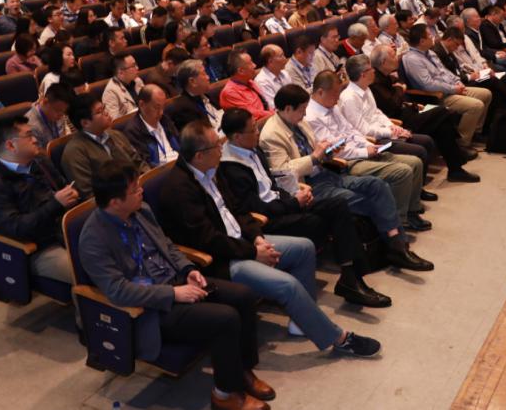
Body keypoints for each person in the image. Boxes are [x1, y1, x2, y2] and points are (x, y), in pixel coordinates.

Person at [157, 120, 382, 358]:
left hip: (242, 242)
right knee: (287, 285)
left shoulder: (211, 170)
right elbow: (209, 240)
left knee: (304, 248)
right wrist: (253, 252)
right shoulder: (178, 189)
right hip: (221, 260)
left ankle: (302, 321)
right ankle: (339, 338)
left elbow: (239, 211)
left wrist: (257, 239)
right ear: (200, 155)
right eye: (216, 145)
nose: (222, 148)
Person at [78, 162, 274, 410]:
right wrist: (172, 294)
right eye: (134, 189)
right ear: (115, 202)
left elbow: (168, 245)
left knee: (243, 296)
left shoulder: (141, 210)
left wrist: (188, 270)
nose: (141, 191)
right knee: (226, 319)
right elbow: (118, 291)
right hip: (151, 308)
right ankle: (224, 395)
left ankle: (241, 371)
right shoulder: (93, 239)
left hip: (177, 281)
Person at [218, 108, 391, 307]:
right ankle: (351, 279)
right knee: (321, 221)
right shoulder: (231, 166)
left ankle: (351, 277)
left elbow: (271, 184)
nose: (258, 132)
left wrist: (295, 192)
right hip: (267, 219)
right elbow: (255, 207)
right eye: (253, 130)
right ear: (237, 136)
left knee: (337, 205)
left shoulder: (252, 148)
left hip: (282, 204)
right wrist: (293, 203)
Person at [260, 85, 432, 272]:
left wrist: (327, 151)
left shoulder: (299, 122)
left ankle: (396, 245)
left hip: (327, 173)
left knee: (377, 185)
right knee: (368, 201)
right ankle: (397, 245)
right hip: (307, 186)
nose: (305, 114)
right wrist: (315, 157)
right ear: (287, 108)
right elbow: (283, 172)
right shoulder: (271, 135)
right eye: (302, 109)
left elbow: (314, 149)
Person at [306, 71, 431, 230]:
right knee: (403, 171)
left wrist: (368, 145)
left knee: (415, 162)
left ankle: (411, 211)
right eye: (335, 93)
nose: (338, 98)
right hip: (347, 162)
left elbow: (351, 131)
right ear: (320, 92)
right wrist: (365, 152)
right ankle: (399, 221)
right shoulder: (311, 117)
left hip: (362, 150)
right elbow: (335, 150)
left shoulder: (332, 106)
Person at [343, 53, 480, 183]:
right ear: (363, 74)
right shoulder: (350, 98)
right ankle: (427, 183)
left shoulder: (365, 88)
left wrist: (392, 126)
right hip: (376, 139)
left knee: (441, 124)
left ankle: (455, 170)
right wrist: (391, 131)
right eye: (370, 69)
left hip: (392, 125)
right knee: (441, 115)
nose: (373, 70)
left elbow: (377, 113)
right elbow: (364, 130)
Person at [0, 117, 79, 285]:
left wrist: (71, 195)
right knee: (87, 271)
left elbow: (62, 187)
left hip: (65, 231)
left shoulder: (40, 161)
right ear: (11, 145)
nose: (35, 140)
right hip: (39, 247)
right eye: (29, 136)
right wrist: (56, 204)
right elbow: (16, 228)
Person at [401, 24, 491, 147]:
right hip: (436, 96)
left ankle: (475, 131)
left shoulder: (430, 53)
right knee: (476, 106)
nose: (433, 37)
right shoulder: (412, 59)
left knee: (486, 94)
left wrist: (458, 82)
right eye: (429, 35)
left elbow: (444, 72)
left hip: (450, 88)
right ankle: (461, 143)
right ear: (422, 41)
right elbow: (428, 84)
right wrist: (454, 89)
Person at [60, 93, 148, 198]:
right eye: (99, 112)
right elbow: (89, 194)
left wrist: (148, 179)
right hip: (115, 202)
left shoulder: (115, 134)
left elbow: (138, 163)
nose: (106, 113)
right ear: (85, 123)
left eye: (104, 108)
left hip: (137, 190)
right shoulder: (74, 152)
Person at [120, 84, 180, 167]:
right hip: (161, 171)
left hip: (179, 164)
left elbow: (179, 143)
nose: (161, 112)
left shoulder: (164, 120)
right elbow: (145, 165)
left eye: (163, 107)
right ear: (142, 105)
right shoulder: (133, 131)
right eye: (156, 107)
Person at [165, 60, 223, 133]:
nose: (208, 77)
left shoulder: (208, 96)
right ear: (192, 81)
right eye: (204, 74)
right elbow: (200, 135)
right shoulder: (183, 109)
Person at [219, 51, 273, 121]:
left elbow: (266, 104)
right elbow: (251, 115)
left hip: (268, 119)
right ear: (241, 71)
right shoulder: (229, 93)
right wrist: (275, 114)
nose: (255, 65)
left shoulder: (250, 82)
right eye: (250, 63)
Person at [26, 83, 74, 149]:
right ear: (45, 101)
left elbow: (62, 137)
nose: (61, 116)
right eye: (57, 110)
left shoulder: (59, 114)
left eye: (63, 112)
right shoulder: (31, 126)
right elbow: (37, 153)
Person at [102, 52, 144, 120]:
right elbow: (114, 122)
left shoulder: (137, 81)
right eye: (133, 66)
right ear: (121, 72)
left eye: (136, 64)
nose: (137, 68)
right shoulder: (110, 92)